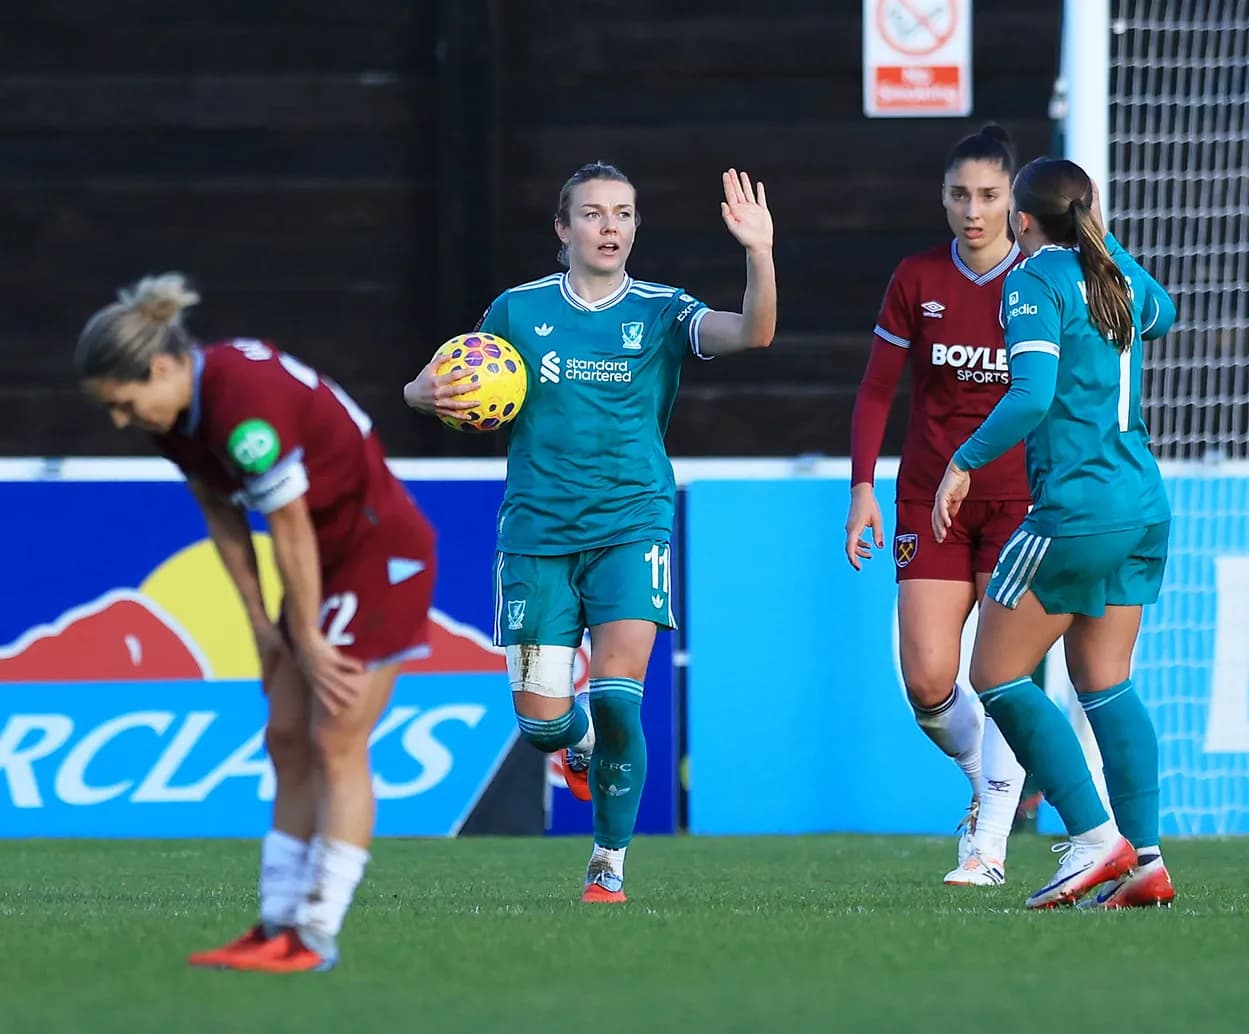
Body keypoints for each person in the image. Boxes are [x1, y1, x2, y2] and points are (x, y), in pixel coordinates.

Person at [405, 162, 775, 902]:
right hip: (537, 533)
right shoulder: (517, 310)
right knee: (543, 722)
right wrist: (421, 392)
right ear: (563, 228)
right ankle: (573, 749)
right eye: (594, 214)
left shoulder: (664, 310)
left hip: (633, 525)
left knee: (616, 695)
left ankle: (608, 861)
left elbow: (753, 334)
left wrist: (758, 253)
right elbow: (448, 380)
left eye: (625, 213)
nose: (611, 227)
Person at [77, 274, 437, 972]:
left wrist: (302, 633)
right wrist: (260, 625)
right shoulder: (177, 413)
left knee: (336, 739)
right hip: (323, 566)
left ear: (159, 367)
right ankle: (275, 923)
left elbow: (289, 527)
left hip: (376, 553)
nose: (123, 420)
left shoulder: (242, 407)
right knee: (284, 735)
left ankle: (315, 934)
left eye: (124, 404)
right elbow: (219, 509)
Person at [932, 158, 1179, 909]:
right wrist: (1102, 244)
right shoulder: (1118, 277)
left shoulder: (1032, 280)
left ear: (1023, 220)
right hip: (1142, 506)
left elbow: (1032, 395)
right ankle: (1148, 863)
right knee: (1105, 682)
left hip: (1075, 511)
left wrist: (962, 461)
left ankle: (1098, 840)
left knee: (995, 674)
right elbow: (1163, 311)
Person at [848, 123, 1031, 886]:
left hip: (1022, 499)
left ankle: (986, 843)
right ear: (943, 197)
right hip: (930, 497)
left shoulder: (1046, 280)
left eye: (989, 195)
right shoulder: (917, 278)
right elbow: (877, 389)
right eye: (960, 194)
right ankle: (994, 774)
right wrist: (861, 485)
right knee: (927, 680)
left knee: (1001, 675)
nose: (974, 210)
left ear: (1015, 199)